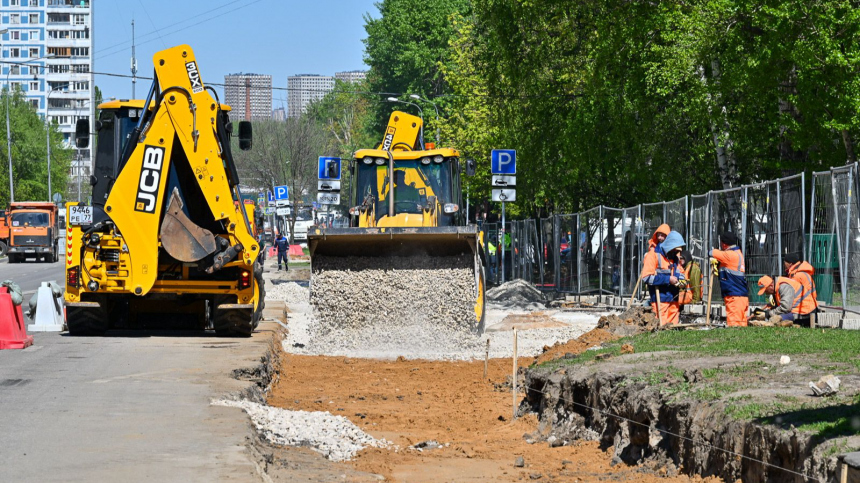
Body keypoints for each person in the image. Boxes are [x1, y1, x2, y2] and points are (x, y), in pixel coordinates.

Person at [642, 230, 686, 325]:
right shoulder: (653, 255)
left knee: (673, 328)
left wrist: (682, 281)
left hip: (673, 299)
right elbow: (646, 277)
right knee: (662, 327)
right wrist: (668, 279)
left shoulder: (675, 258)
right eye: (675, 250)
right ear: (669, 246)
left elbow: (681, 272)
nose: (676, 253)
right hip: (660, 300)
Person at [709, 232, 749, 327]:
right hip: (740, 296)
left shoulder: (729, 255)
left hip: (734, 296)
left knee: (734, 326)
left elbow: (711, 252)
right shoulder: (737, 253)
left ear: (723, 244)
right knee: (741, 326)